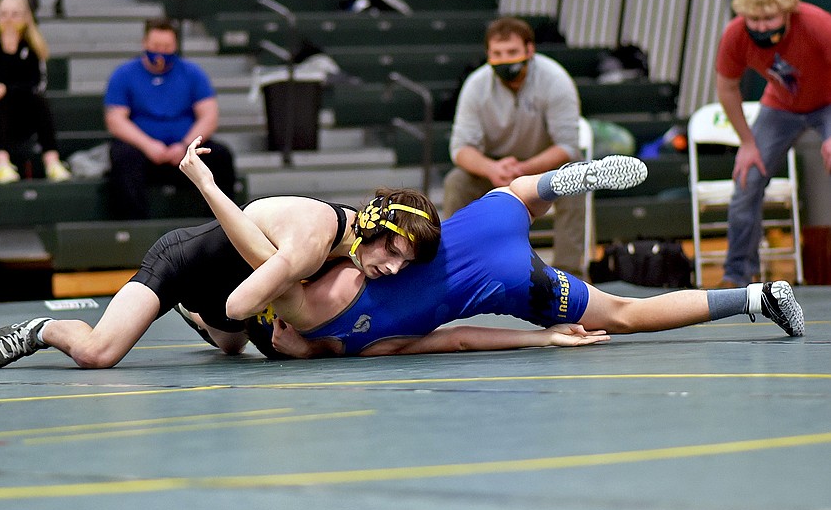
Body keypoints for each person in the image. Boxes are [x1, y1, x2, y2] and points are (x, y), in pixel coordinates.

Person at [179, 145, 804, 359]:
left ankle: (754, 296)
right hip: (464, 228)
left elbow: (457, 340)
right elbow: (297, 258)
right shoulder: (348, 257)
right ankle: (567, 178)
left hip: (507, 281)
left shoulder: (359, 334)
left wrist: (542, 339)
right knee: (519, 193)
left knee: (622, 313)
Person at [0, 178, 439, 370]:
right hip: (185, 264)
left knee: (233, 346)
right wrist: (301, 344)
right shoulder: (314, 237)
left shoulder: (351, 251)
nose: (393, 269)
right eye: (394, 251)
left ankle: (195, 314)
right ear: (373, 225)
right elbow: (241, 306)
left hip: (238, 289)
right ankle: (44, 329)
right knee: (97, 354)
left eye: (405, 264)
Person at [713, 0, 831, 287]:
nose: (762, 26)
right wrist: (747, 143)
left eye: (770, 18)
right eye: (754, 18)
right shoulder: (735, 35)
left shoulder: (817, 23)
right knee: (747, 179)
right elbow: (726, 88)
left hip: (828, 101)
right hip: (780, 106)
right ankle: (737, 274)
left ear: (788, 12)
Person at [445, 17, 586, 276]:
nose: (505, 60)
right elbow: (460, 149)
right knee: (457, 181)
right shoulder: (476, 85)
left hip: (543, 168)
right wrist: (491, 168)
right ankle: (457, 269)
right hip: (494, 168)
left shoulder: (555, 79)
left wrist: (525, 169)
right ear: (488, 55)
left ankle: (570, 273)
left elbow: (567, 146)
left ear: (529, 50)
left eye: (512, 52)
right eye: (497, 53)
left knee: (575, 179)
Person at [104, 17, 236, 219]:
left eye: (167, 47)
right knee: (123, 157)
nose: (161, 52)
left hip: (184, 153)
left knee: (221, 156)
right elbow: (116, 120)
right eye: (156, 46)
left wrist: (185, 145)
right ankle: (136, 229)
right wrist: (148, 145)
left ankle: (219, 226)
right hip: (144, 153)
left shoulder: (193, 74)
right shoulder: (124, 74)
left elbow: (209, 115)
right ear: (145, 43)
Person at [0, 0, 70, 183]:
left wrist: (9, 89)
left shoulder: (32, 45)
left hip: (21, 110)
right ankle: (1, 164)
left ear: (25, 18)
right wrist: (7, 54)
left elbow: (34, 83)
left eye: (14, 14)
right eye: (4, 14)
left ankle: (52, 161)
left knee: (39, 101)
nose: (8, 20)